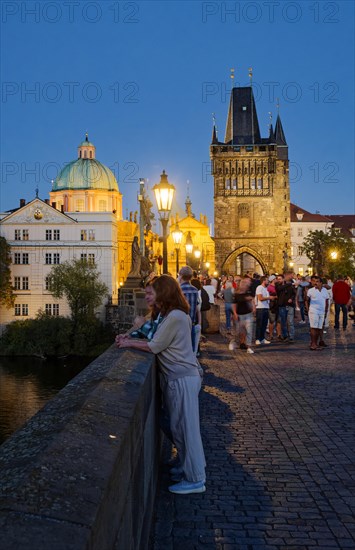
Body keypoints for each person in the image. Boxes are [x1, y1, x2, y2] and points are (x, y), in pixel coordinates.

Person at [116, 275, 206, 495]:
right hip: (178, 378)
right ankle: (187, 467)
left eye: (150, 293)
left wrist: (128, 342)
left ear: (163, 293)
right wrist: (129, 336)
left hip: (182, 378)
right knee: (179, 427)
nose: (146, 296)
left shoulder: (175, 316)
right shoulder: (171, 315)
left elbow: (155, 345)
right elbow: (153, 337)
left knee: (187, 430)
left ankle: (195, 479)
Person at [178, 266, 201, 355]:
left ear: (181, 276)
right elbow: (197, 308)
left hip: (180, 324)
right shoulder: (195, 290)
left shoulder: (179, 290)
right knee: (190, 350)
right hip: (191, 324)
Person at [232, 275, 255, 354]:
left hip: (248, 314)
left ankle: (249, 346)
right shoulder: (236, 293)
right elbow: (234, 304)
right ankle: (235, 342)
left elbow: (252, 300)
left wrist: (253, 307)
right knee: (240, 331)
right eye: (244, 284)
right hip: (240, 315)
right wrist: (235, 313)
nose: (245, 286)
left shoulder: (248, 292)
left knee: (249, 331)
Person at [306, 276, 329, 350]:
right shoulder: (311, 290)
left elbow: (326, 300)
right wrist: (307, 309)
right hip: (313, 311)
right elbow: (306, 300)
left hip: (322, 311)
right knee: (313, 327)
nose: (316, 283)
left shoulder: (324, 290)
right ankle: (313, 344)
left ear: (321, 283)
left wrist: (326, 310)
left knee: (319, 328)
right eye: (315, 281)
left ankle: (316, 343)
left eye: (318, 281)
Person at [276, 271, 296, 342]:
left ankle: (291, 336)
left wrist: (291, 298)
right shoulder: (278, 285)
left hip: (289, 305)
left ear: (283, 278)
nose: (279, 280)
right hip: (282, 306)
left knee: (290, 321)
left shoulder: (289, 285)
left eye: (280, 279)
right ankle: (285, 336)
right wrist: (291, 283)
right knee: (283, 322)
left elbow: (294, 294)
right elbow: (280, 289)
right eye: (278, 279)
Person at [255, 276, 276, 345]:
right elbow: (260, 298)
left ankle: (262, 338)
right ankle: (257, 338)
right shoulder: (259, 287)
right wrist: (269, 298)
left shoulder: (266, 288)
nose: (268, 281)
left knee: (264, 324)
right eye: (267, 280)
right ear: (263, 281)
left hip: (266, 307)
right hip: (260, 308)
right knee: (259, 324)